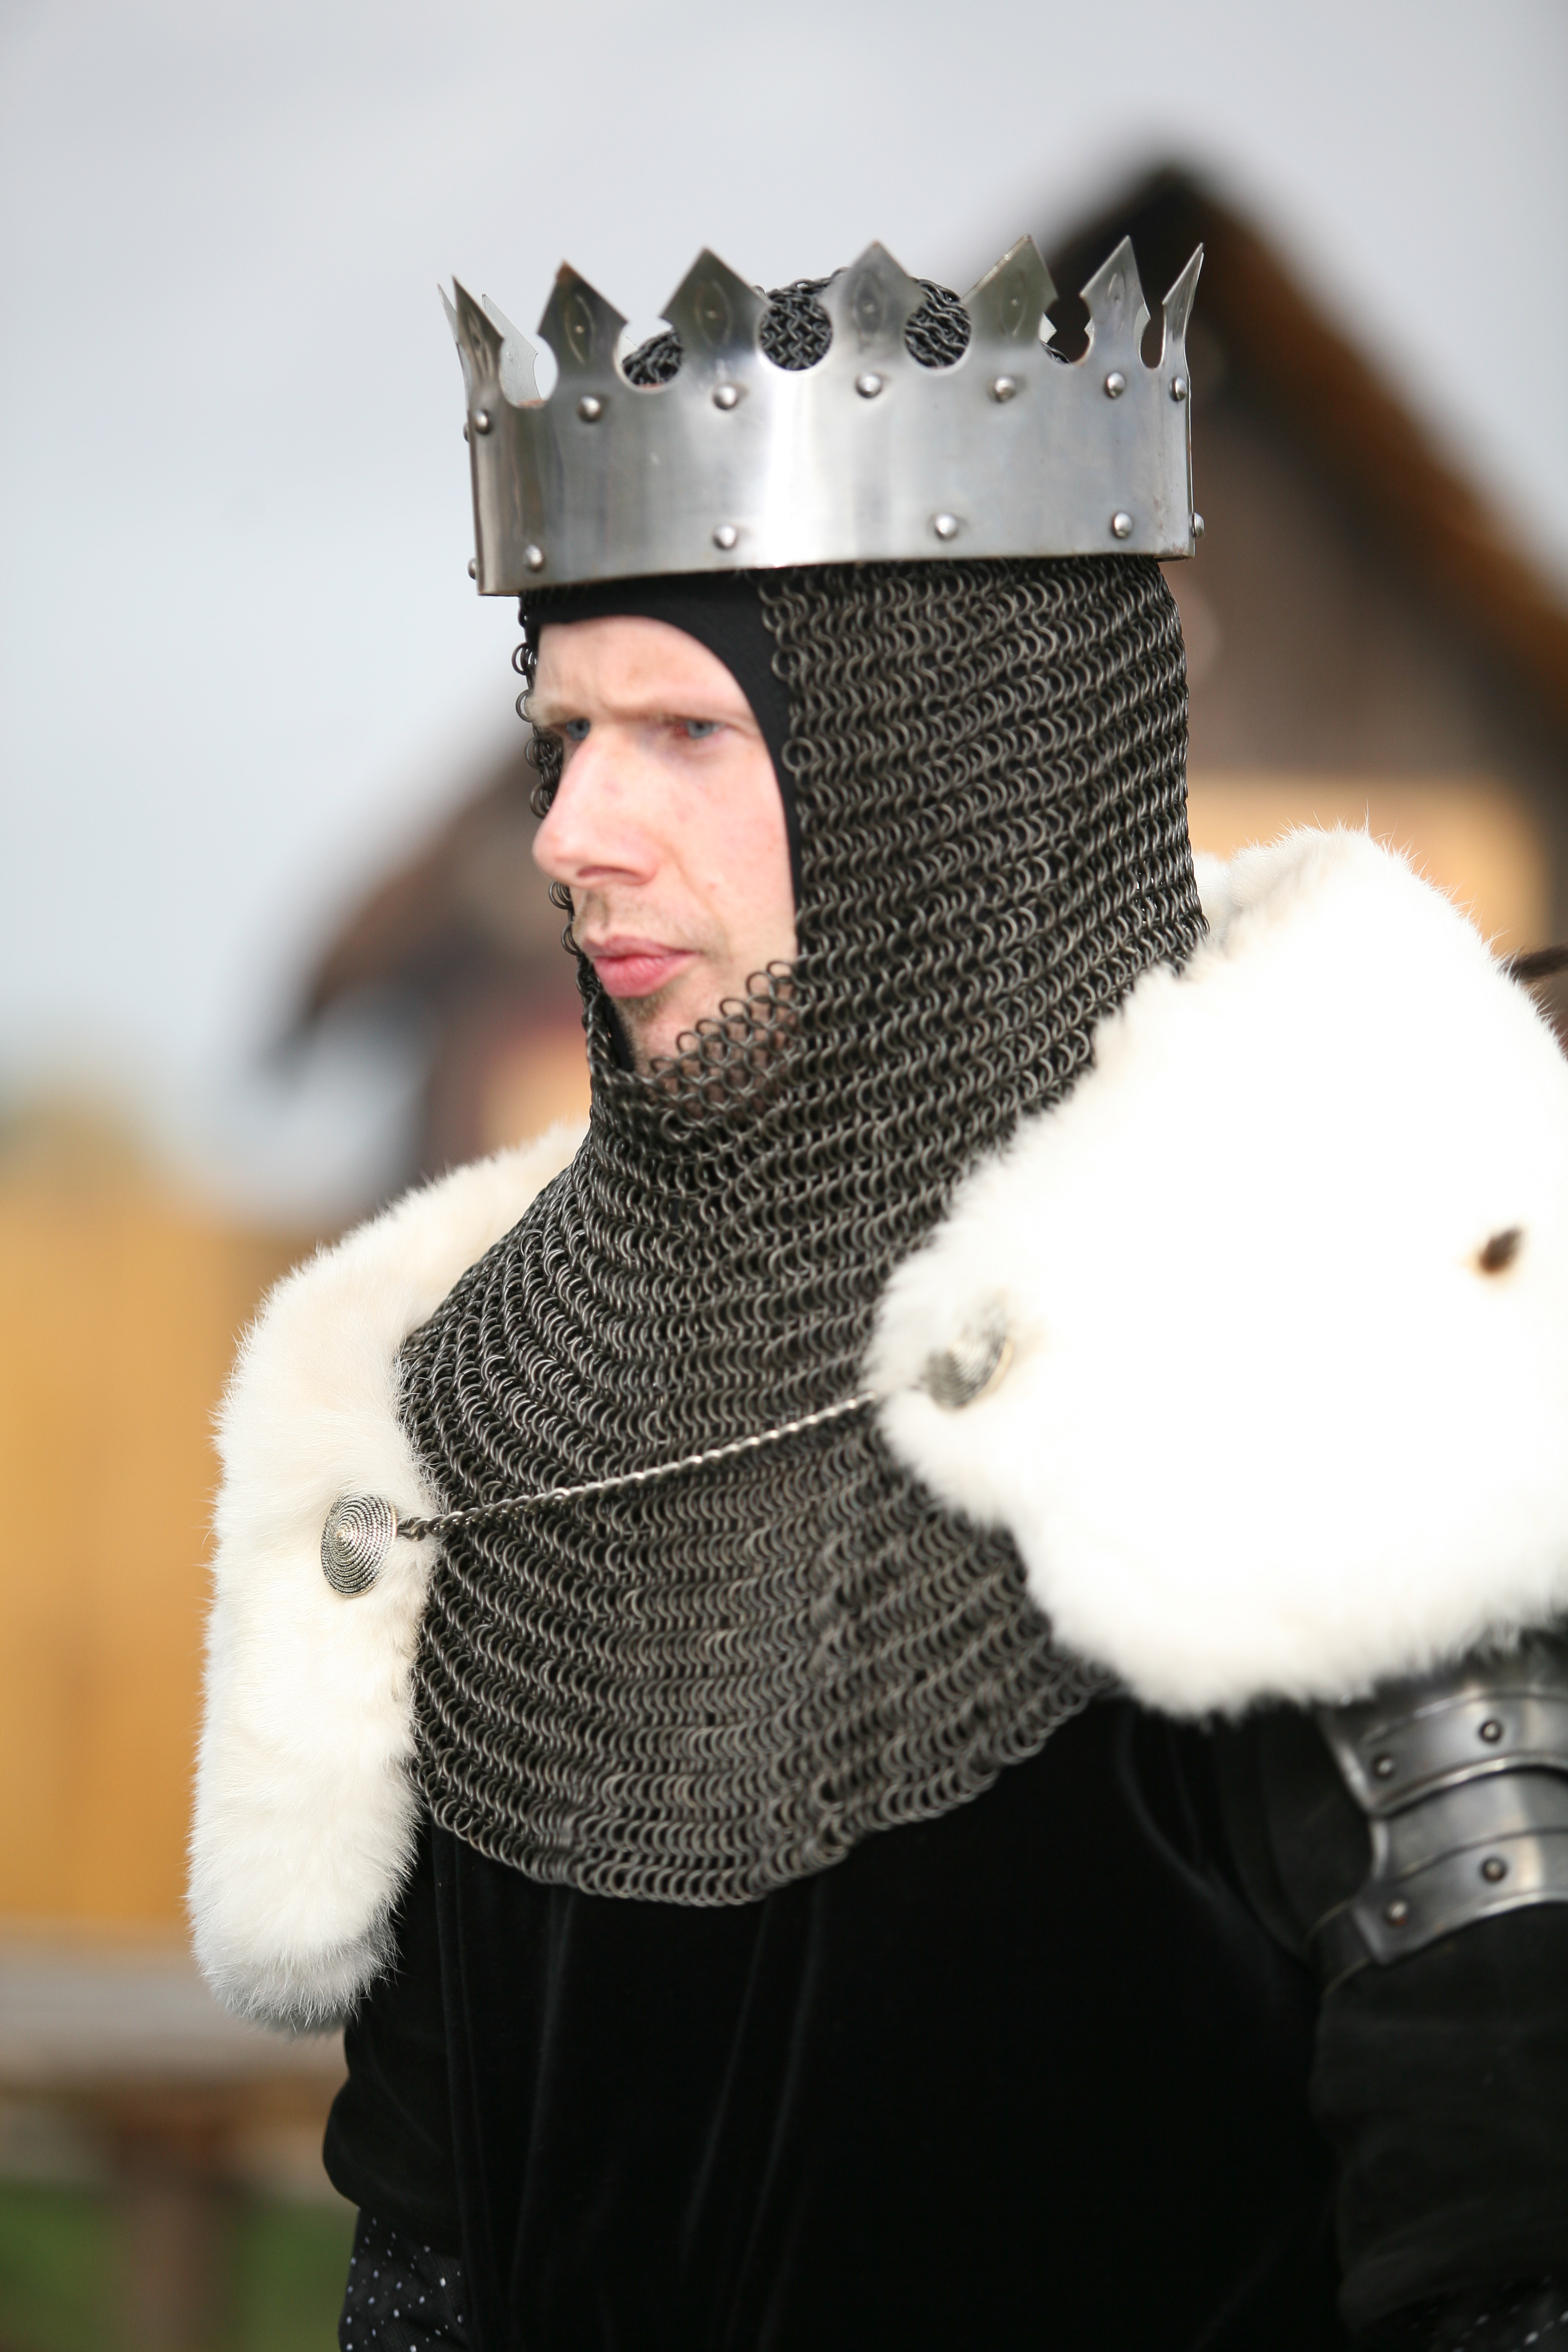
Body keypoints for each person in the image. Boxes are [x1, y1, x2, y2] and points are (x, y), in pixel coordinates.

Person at [191, 239, 1568, 2350]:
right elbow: (433, 2258)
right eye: (562, 735)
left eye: (681, 730)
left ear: (964, 780)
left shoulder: (1352, 1352)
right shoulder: (497, 1402)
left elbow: (1507, 2239)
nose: (572, 832)